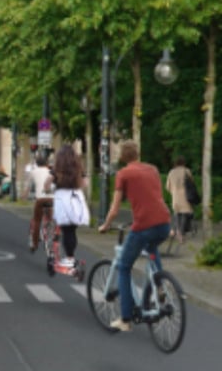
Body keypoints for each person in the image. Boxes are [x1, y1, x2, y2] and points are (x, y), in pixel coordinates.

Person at [98, 140, 171, 332]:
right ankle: (160, 286)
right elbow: (154, 198)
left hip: (143, 225)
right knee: (152, 247)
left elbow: (114, 208)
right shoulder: (153, 170)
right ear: (137, 154)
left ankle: (125, 318)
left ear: (123, 157)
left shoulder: (123, 174)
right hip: (164, 222)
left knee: (124, 266)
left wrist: (105, 225)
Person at [51, 145, 88, 268]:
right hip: (76, 198)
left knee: (66, 230)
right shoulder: (78, 167)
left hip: (63, 199)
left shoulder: (58, 168)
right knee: (72, 230)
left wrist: (46, 187)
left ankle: (69, 258)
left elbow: (49, 181)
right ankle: (71, 256)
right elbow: (85, 182)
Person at [25, 152, 54, 252]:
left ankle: (35, 244)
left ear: (36, 163)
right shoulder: (50, 171)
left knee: (37, 220)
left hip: (40, 199)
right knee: (49, 217)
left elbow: (28, 187)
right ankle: (50, 229)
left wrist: (24, 196)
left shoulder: (33, 171)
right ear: (46, 163)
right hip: (52, 198)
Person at [165, 156, 195, 243]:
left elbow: (167, 187)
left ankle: (177, 231)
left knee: (177, 214)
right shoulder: (187, 171)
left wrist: (173, 192)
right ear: (183, 163)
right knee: (185, 214)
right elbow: (192, 183)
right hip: (186, 196)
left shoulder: (171, 172)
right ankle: (181, 233)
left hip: (175, 196)